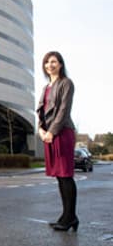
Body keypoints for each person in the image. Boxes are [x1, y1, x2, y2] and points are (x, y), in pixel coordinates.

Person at [37, 51, 78, 232]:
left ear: (60, 64)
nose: (50, 65)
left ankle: (70, 217)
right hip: (48, 134)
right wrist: (40, 129)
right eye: (47, 62)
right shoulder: (46, 87)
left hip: (62, 133)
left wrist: (52, 132)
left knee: (66, 175)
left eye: (54, 62)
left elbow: (63, 110)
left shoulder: (66, 83)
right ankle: (67, 216)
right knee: (59, 177)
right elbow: (41, 111)